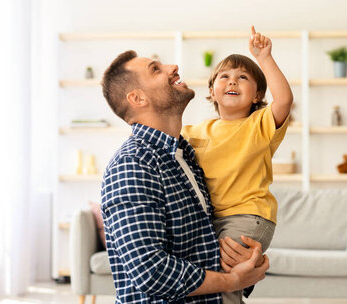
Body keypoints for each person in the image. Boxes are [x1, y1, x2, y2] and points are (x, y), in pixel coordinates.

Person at [100, 50, 269, 303]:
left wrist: (244, 262)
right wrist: (232, 281)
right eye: (156, 69)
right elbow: (150, 271)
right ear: (137, 98)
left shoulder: (186, 155)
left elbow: (203, 248)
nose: (173, 67)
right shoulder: (133, 163)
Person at [182, 26, 293, 303]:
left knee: (225, 279)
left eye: (243, 78)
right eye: (225, 77)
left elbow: (284, 100)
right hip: (211, 220)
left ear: (257, 96)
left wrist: (264, 58)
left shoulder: (259, 125)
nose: (233, 82)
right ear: (212, 91)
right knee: (212, 280)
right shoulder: (193, 131)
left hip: (248, 215)